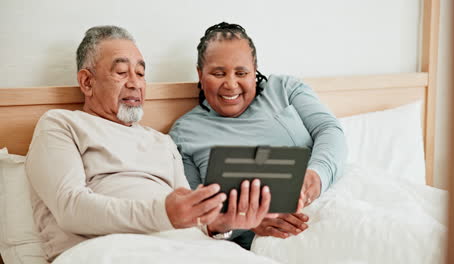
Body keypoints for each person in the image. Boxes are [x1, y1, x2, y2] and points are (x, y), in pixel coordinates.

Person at [25, 25, 272, 262]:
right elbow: (71, 210)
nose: (135, 83)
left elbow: (191, 221)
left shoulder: (162, 142)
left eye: (141, 74)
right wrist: (164, 214)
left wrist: (220, 224)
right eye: (121, 73)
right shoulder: (61, 124)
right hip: (109, 249)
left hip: (187, 248)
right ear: (87, 82)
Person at [169, 22, 347, 249]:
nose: (231, 84)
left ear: (255, 71)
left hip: (331, 199)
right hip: (270, 241)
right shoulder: (183, 134)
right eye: (218, 73)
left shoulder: (285, 89)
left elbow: (330, 130)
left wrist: (316, 176)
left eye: (241, 73)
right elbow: (197, 218)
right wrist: (248, 223)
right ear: (200, 74)